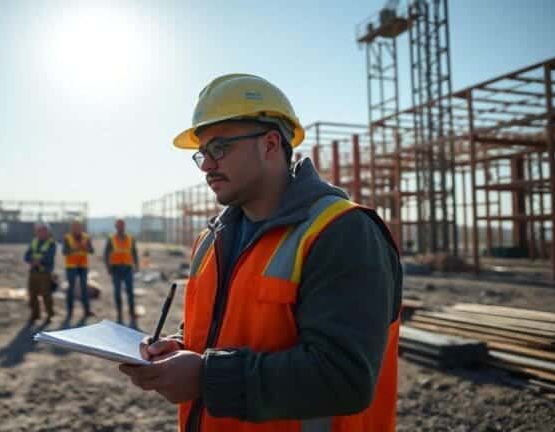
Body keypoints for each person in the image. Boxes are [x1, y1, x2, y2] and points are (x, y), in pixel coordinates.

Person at [120, 74, 403, 431]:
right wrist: (177, 346)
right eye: (202, 153)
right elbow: (226, 325)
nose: (206, 165)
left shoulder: (342, 232)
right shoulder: (213, 238)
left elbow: (344, 377)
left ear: (271, 144)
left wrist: (205, 376)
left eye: (219, 148)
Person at [103, 219, 139, 327]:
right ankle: (119, 315)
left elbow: (134, 252)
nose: (120, 227)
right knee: (117, 293)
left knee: (130, 293)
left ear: (124, 226)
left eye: (122, 225)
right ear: (116, 226)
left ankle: (132, 314)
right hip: (116, 269)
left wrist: (136, 265)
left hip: (128, 268)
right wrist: (108, 267)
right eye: (118, 225)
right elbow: (106, 254)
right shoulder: (111, 239)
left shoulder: (130, 238)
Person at [24, 223, 56, 323]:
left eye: (43, 231)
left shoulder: (51, 243)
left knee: (46, 295)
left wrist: (37, 261)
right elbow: (26, 256)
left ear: (47, 232)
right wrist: (32, 261)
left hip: (45, 273)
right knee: (32, 294)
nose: (40, 233)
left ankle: (49, 315)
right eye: (39, 231)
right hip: (33, 272)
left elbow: (49, 257)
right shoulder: (34, 242)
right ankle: (35, 314)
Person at [62, 220, 94, 322]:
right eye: (75, 226)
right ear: (72, 228)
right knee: (71, 289)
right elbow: (64, 252)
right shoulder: (67, 238)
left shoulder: (86, 237)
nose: (76, 228)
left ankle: (87, 310)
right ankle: (70, 312)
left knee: (84, 288)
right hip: (71, 266)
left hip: (83, 266)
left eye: (78, 226)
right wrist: (74, 249)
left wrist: (86, 248)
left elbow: (91, 250)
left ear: (81, 227)